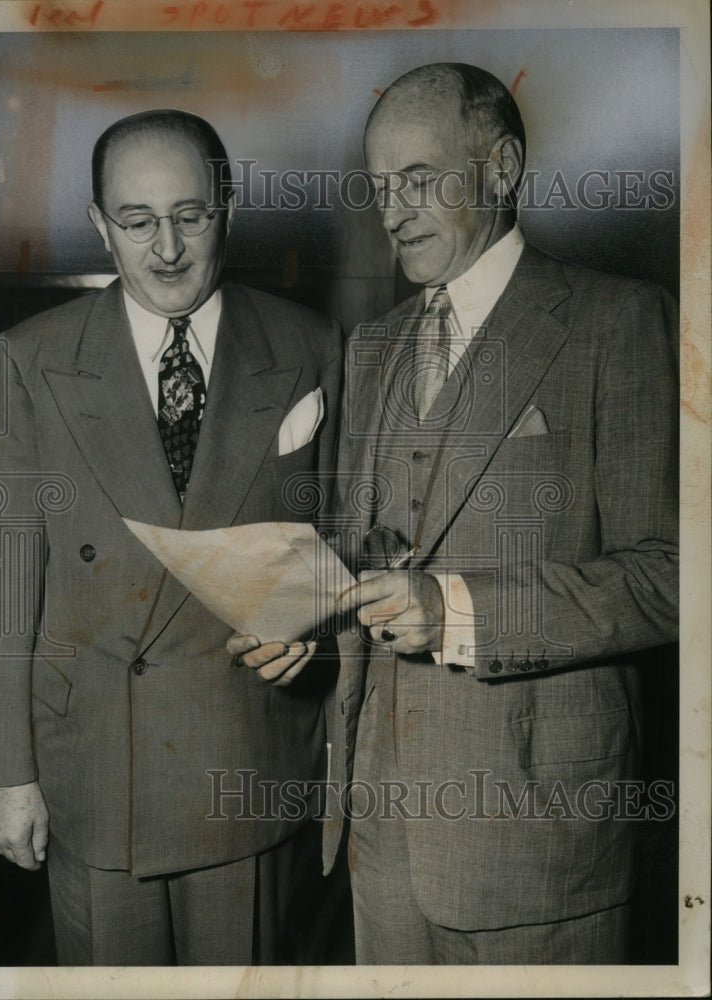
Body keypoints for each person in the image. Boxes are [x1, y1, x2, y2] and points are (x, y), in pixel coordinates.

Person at [233, 63, 679, 964]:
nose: (393, 209)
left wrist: (460, 610)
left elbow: (673, 575)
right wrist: (307, 626)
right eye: (381, 185)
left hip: (541, 842)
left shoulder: (618, 321)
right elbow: (373, 556)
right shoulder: (374, 346)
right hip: (379, 832)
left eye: (421, 178)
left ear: (503, 167)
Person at [0, 109, 343, 966]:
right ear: (100, 224)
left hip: (246, 754)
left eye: (190, 216)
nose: (165, 248)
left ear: (229, 209)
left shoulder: (311, 343)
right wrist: (5, 773)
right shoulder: (32, 358)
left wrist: (320, 622)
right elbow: (0, 582)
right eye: (135, 223)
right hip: (96, 768)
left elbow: (348, 534)